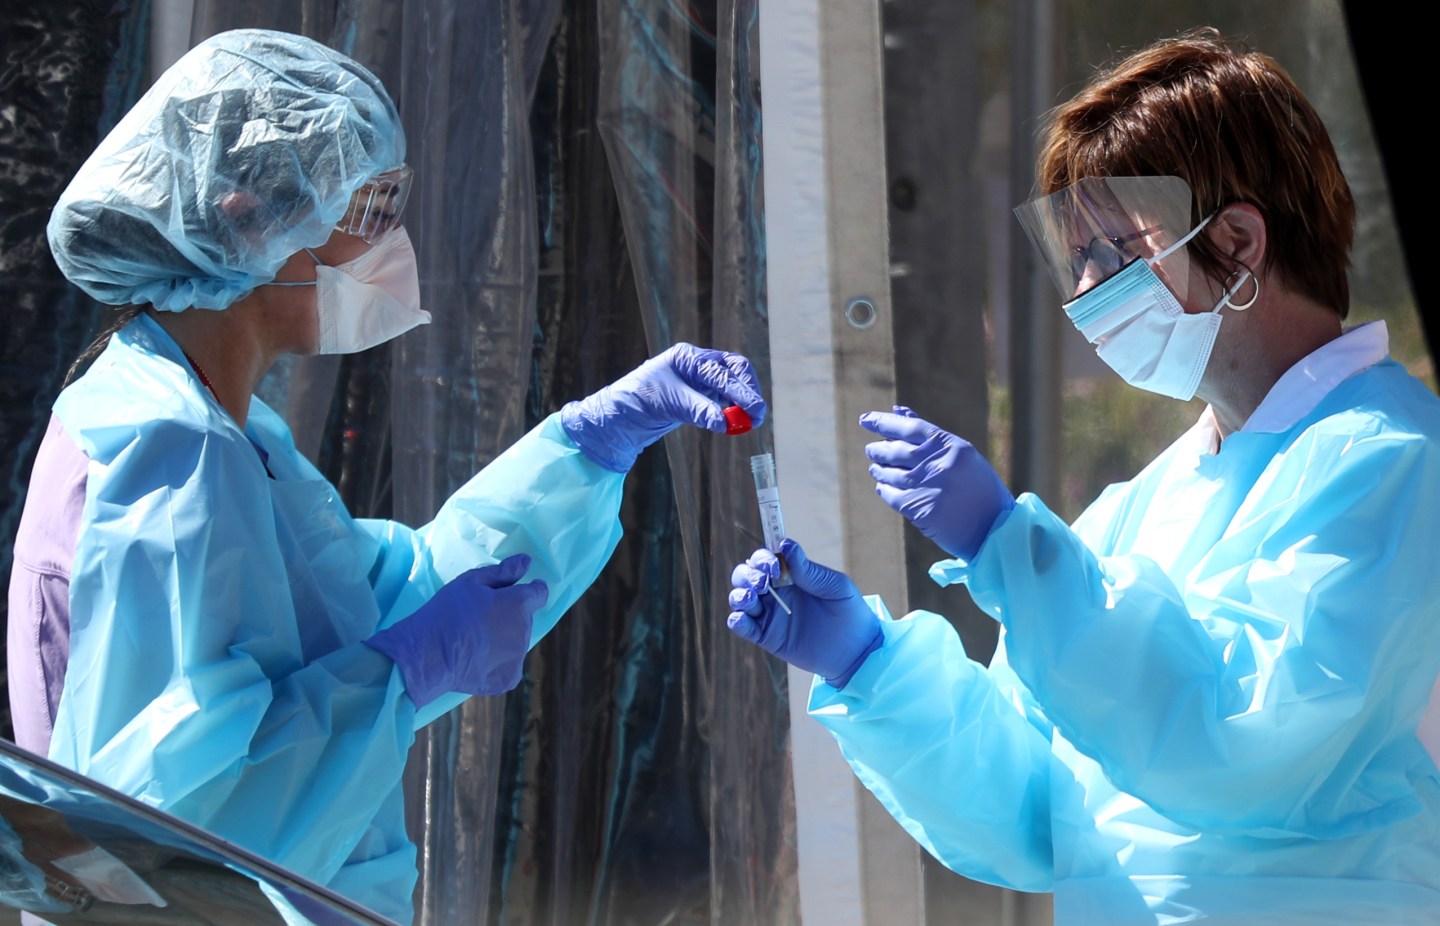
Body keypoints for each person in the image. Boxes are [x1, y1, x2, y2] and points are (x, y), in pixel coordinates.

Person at [5, 28, 766, 923]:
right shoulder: (170, 451)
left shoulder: (218, 430)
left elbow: (382, 600)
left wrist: (587, 446)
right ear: (250, 217)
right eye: (363, 210)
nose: (387, 246)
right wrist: (400, 675)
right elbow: (177, 830)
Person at [727, 28, 1440, 924]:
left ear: (1239, 238)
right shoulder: (1136, 509)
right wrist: (870, 668)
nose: (1091, 290)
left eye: (1118, 251)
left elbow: (1242, 742)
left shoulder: (1391, 455)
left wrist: (1007, 548)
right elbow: (1036, 815)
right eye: (1080, 260)